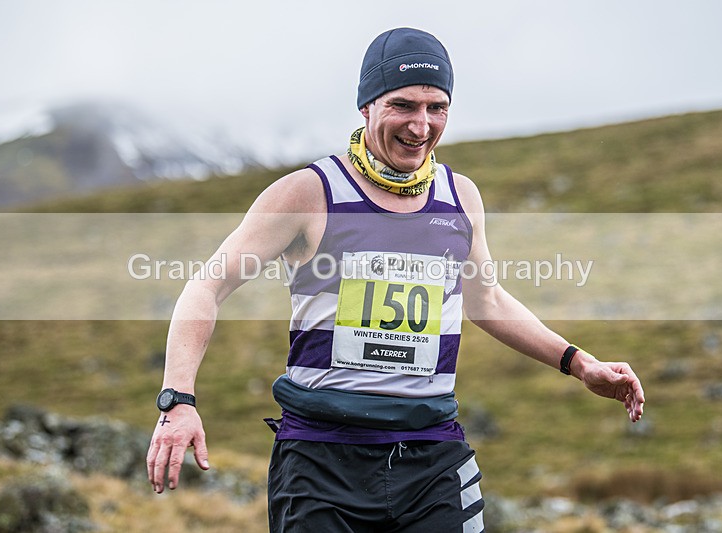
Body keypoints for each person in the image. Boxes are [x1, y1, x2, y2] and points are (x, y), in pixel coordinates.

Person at [146, 27, 645, 531]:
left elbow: (486, 300)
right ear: (366, 106)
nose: (420, 125)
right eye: (403, 105)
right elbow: (206, 286)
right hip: (321, 459)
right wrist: (177, 401)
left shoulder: (459, 197)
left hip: (432, 456)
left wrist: (580, 363)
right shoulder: (308, 193)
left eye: (437, 107)